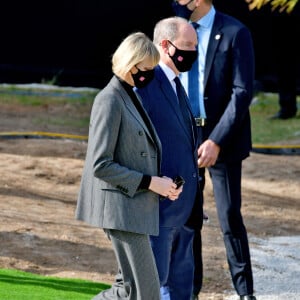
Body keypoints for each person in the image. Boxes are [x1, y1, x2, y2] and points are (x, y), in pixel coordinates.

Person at [75, 32, 183, 300]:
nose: (149, 76)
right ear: (130, 63)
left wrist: (163, 185)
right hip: (119, 209)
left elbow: (136, 154)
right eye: (146, 69)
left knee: (127, 289)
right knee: (147, 293)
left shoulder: (130, 96)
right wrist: (150, 182)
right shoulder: (109, 99)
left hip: (135, 208)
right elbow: (100, 164)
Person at [172, 1, 257, 300]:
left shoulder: (235, 32)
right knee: (187, 217)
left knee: (230, 215)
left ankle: (245, 292)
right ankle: (189, 290)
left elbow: (243, 91)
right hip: (184, 137)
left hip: (224, 140)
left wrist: (216, 140)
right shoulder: (173, 29)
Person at [136, 17, 203, 300]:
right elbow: (134, 145)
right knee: (153, 287)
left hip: (184, 212)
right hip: (158, 210)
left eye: (195, 47)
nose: (192, 53)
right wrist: (152, 184)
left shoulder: (177, 83)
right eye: (187, 46)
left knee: (180, 288)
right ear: (165, 45)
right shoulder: (146, 84)